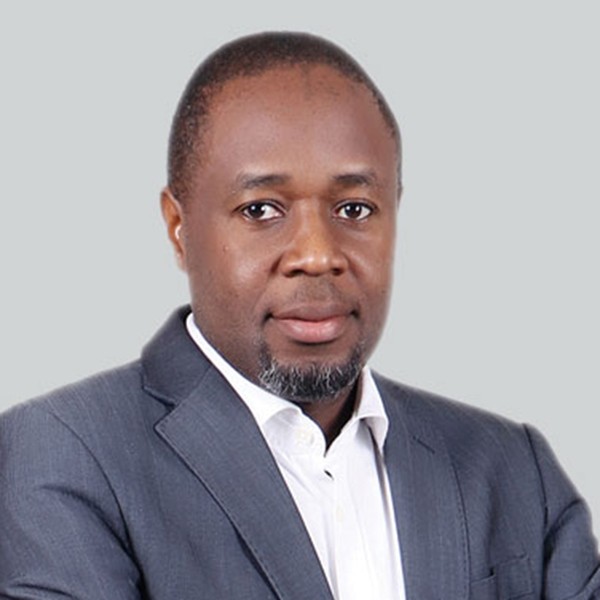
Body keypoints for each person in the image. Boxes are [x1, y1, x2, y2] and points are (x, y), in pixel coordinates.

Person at [0, 31, 598, 600]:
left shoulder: (511, 468)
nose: (317, 255)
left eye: (355, 208)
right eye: (260, 209)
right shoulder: (64, 454)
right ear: (178, 227)